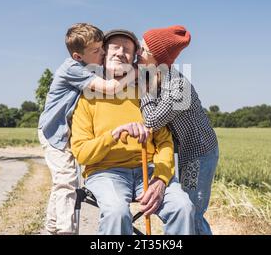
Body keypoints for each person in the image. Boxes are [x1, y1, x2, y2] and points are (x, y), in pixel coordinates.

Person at [70, 29, 195, 235]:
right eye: (115, 47)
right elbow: (82, 153)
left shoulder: (147, 92)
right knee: (117, 212)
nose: (121, 52)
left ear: (134, 58)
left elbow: (164, 142)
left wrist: (162, 179)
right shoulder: (87, 97)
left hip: (150, 169)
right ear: (103, 54)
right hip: (105, 172)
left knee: (183, 207)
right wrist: (114, 135)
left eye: (127, 49)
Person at [38, 23, 136, 234]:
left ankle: (51, 228)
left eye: (102, 48)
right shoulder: (72, 69)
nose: (102, 53)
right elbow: (112, 88)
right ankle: (66, 230)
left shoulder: (89, 67)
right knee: (66, 181)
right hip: (54, 132)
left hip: (64, 131)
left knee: (61, 183)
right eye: (96, 51)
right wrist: (135, 71)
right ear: (77, 56)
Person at [137, 25, 219, 235]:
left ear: (158, 58)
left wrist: (144, 91)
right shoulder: (159, 77)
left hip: (198, 156)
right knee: (190, 211)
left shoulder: (178, 86)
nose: (138, 52)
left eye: (143, 49)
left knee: (192, 213)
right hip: (186, 153)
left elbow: (152, 120)